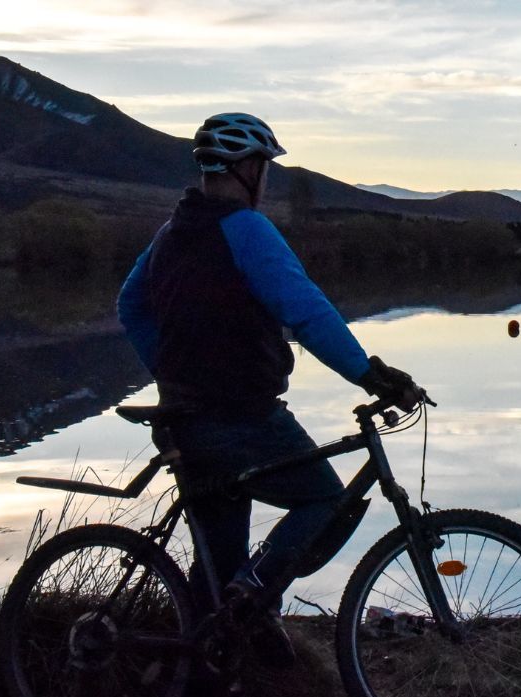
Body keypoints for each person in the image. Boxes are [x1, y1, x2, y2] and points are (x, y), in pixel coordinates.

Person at [117, 112, 420, 663]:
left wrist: (171, 371)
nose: (268, 179)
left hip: (186, 418)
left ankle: (212, 681)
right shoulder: (245, 228)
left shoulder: (172, 231)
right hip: (242, 418)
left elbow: (130, 306)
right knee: (330, 501)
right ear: (248, 169)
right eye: (266, 168)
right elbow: (305, 310)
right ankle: (255, 595)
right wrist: (369, 374)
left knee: (218, 567)